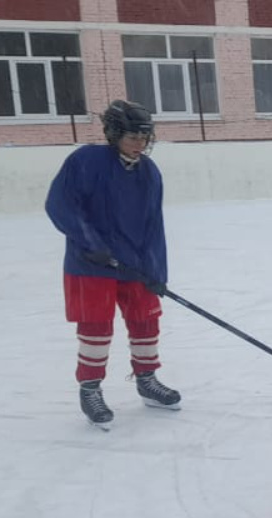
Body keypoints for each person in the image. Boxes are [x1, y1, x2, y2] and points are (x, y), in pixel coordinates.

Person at [45, 99, 182, 429]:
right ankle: (90, 389)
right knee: (96, 327)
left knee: (146, 321)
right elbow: (60, 205)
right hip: (91, 264)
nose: (140, 144)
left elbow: (153, 225)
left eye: (144, 138)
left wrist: (156, 272)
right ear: (114, 134)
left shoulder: (149, 173)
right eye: (133, 137)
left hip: (135, 265)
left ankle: (147, 380)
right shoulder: (86, 161)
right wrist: (92, 245)